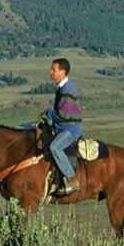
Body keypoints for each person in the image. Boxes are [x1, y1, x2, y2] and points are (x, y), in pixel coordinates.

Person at [25, 58, 83, 196]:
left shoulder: (67, 90)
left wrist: (48, 112)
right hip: (62, 126)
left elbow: (64, 116)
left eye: (53, 70)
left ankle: (71, 178)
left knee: (54, 147)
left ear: (62, 72)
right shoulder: (61, 88)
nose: (50, 72)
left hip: (70, 129)